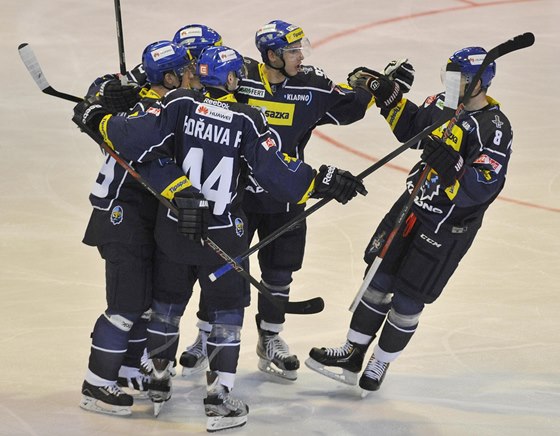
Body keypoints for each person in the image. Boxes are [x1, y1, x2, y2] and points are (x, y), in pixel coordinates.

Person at [73, 44, 366, 431]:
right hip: (224, 235)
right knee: (226, 315)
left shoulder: (176, 105)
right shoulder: (248, 119)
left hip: (174, 229)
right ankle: (218, 398)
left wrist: (96, 115)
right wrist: (324, 180)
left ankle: (159, 381)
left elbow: (137, 144)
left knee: (166, 306)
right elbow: (279, 177)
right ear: (230, 80)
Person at [179, 19, 414, 382]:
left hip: (288, 194)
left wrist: (381, 87)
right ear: (271, 55)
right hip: (236, 195)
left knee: (279, 272)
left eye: (299, 49)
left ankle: (270, 338)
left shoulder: (311, 84)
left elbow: (349, 106)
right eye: (291, 51)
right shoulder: (238, 75)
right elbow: (195, 71)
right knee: (223, 268)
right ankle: (205, 333)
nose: (300, 56)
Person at [306, 46, 513, 395]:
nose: (453, 83)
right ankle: (353, 352)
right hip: (413, 207)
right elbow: (411, 128)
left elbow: (482, 188)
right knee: (377, 278)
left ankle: (380, 361)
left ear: (480, 81)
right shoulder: (445, 103)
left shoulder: (494, 128)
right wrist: (389, 97)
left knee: (408, 298)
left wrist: (454, 166)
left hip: (446, 227)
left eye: (461, 77)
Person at [77, 40, 193, 416]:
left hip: (138, 215)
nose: (195, 76)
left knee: (141, 303)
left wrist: (102, 103)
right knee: (126, 305)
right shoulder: (148, 113)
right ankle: (96, 385)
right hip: (119, 216)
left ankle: (127, 369)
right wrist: (97, 104)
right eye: (187, 71)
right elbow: (100, 103)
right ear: (171, 76)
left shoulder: (150, 105)